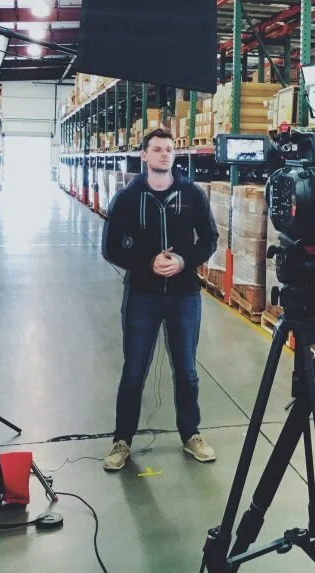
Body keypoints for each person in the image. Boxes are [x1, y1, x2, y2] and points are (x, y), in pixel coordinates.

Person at [100, 127, 219, 469]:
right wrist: (147, 263)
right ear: (145, 155)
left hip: (185, 296)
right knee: (134, 371)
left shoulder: (193, 195)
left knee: (187, 370)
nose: (165, 154)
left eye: (169, 149)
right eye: (157, 149)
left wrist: (184, 260)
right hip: (142, 296)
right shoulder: (127, 198)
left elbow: (209, 239)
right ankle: (121, 441)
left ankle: (191, 435)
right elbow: (110, 247)